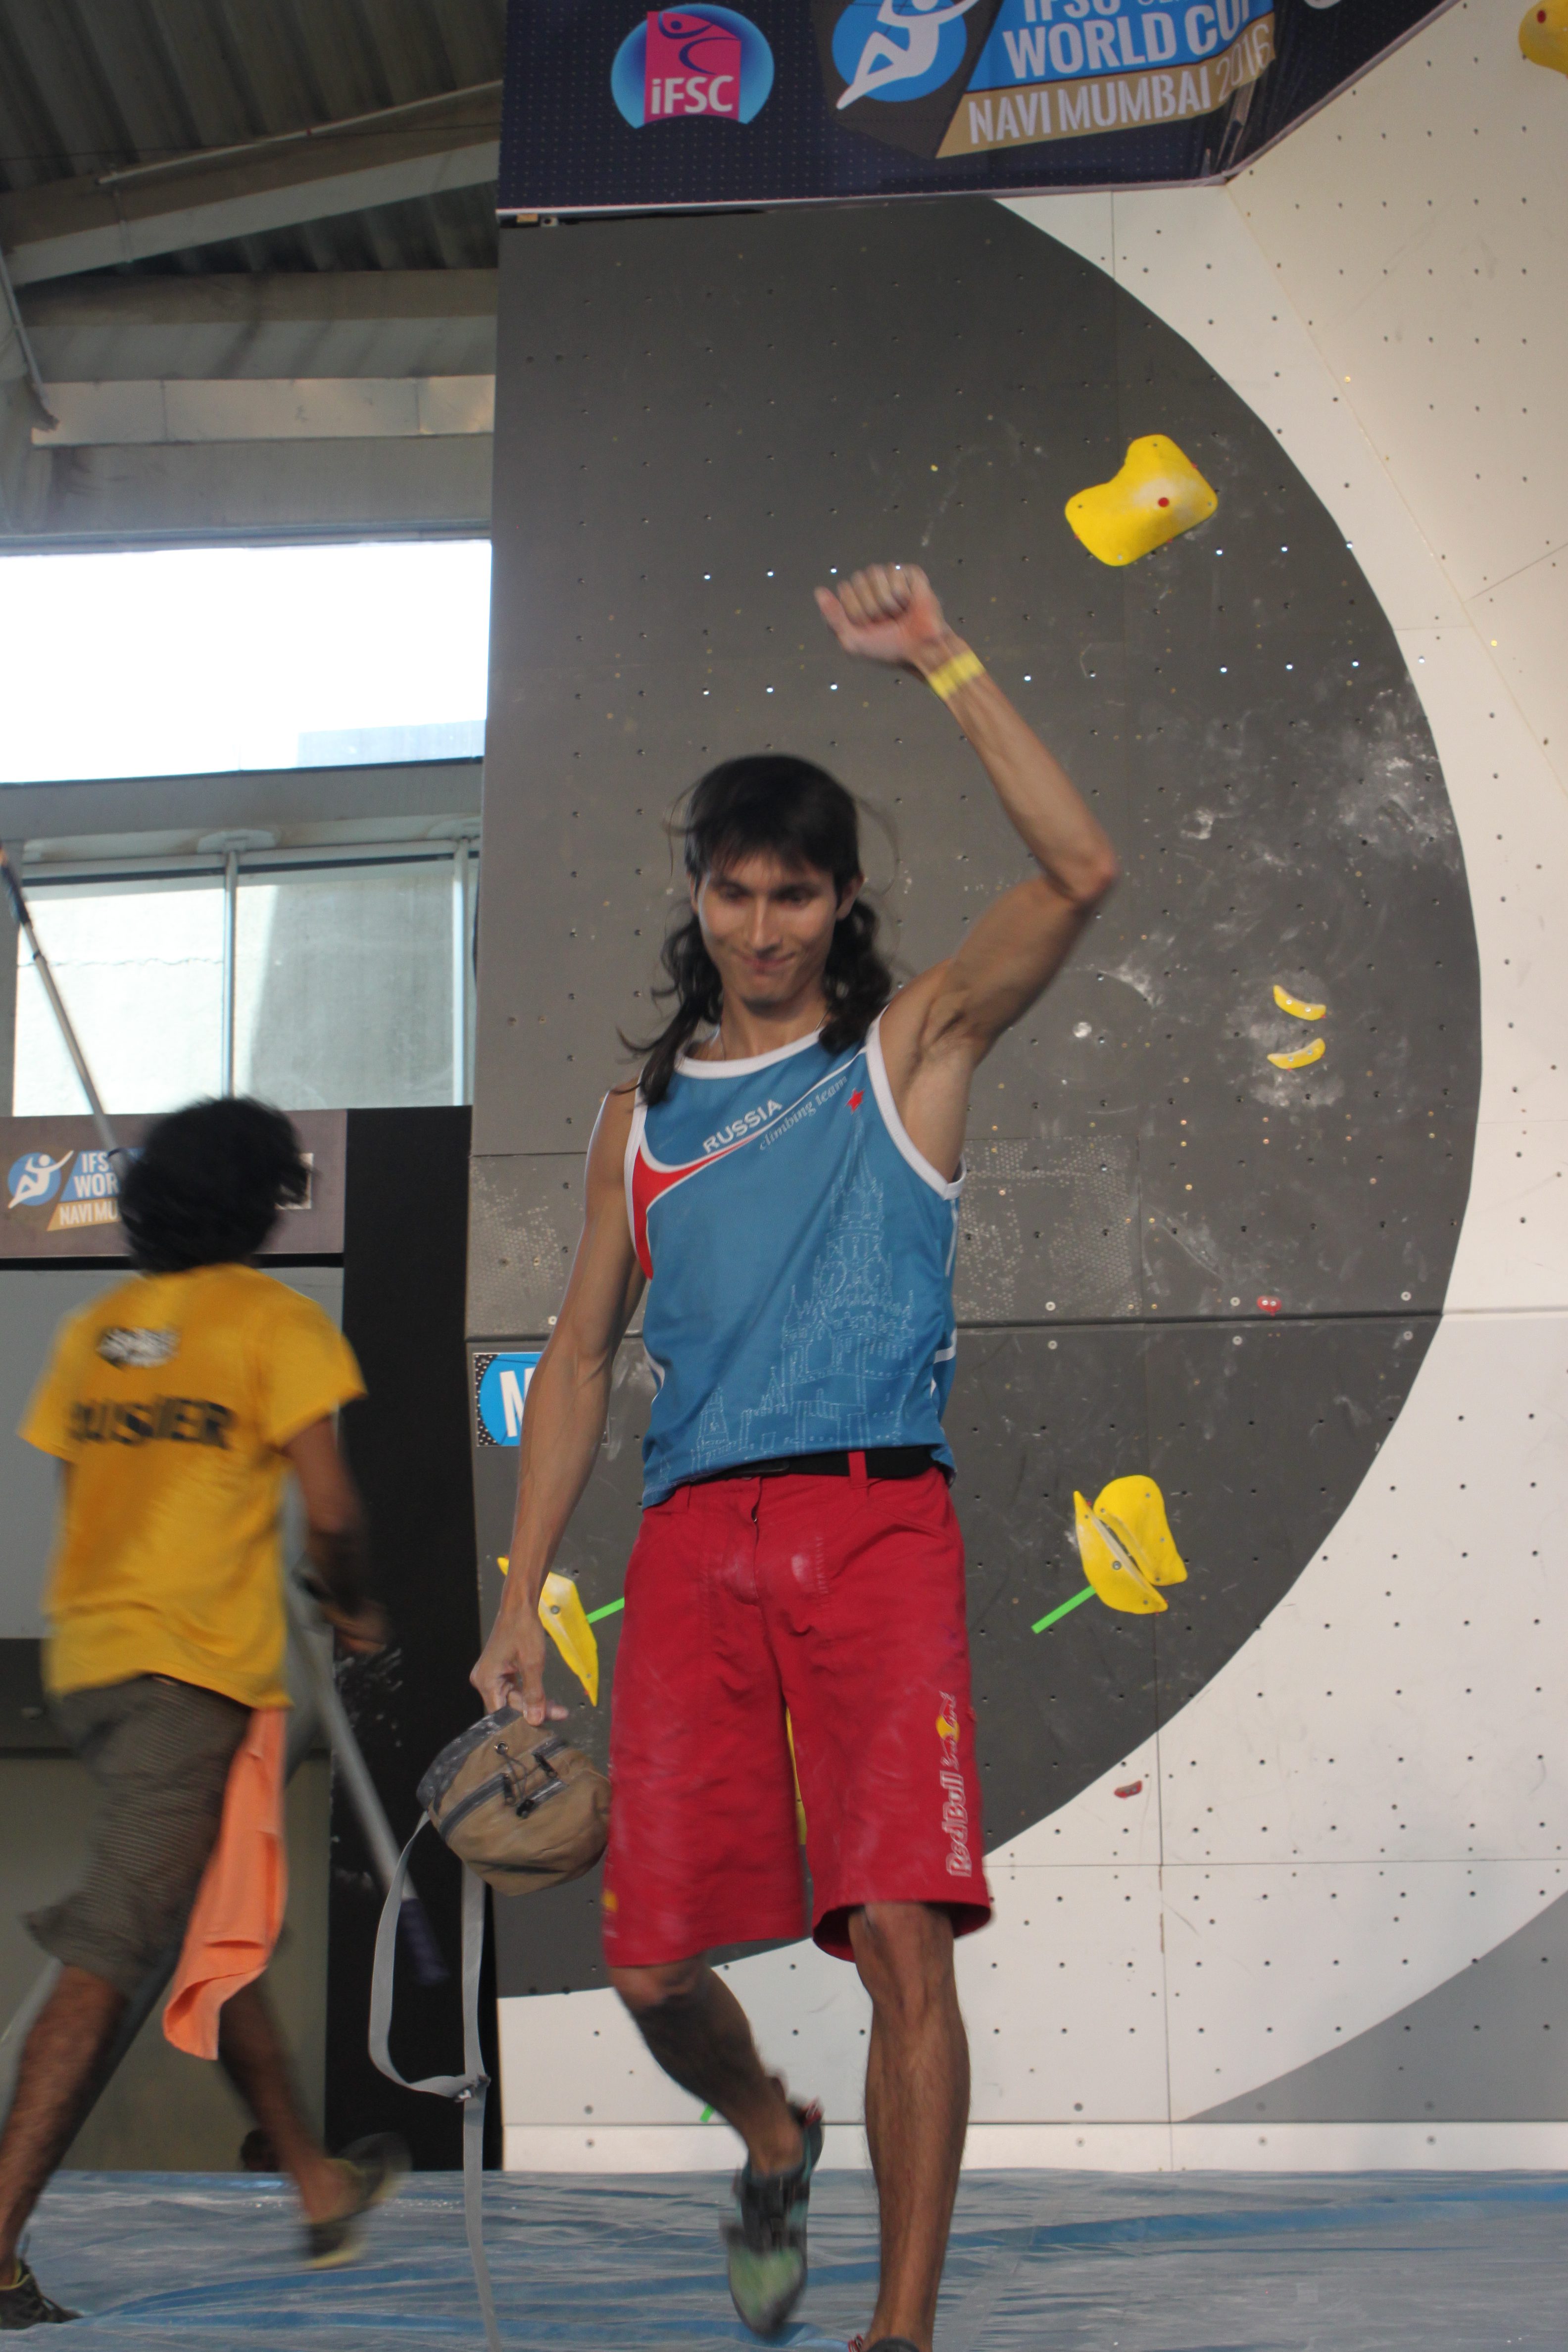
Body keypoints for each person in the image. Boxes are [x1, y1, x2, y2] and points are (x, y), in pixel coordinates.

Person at [472, 563, 1118, 2352]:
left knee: (904, 1935)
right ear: (698, 896)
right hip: (693, 1549)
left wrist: (943, 656)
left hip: (875, 1530)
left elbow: (1079, 870)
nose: (764, 926)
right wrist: (519, 1599)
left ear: (842, 904)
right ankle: (769, 2130)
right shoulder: (637, 1121)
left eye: (797, 893)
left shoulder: (906, 1054)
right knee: (647, 1964)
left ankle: (897, 2330)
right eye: (735, 891)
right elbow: (579, 1358)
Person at [0, 1097, 402, 2331]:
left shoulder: (96, 1331)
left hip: (95, 1667)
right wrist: (353, 1608)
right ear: (262, 1203)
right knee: (115, 1949)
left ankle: (316, 2182)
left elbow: (85, 1497)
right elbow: (331, 1512)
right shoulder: (274, 1324)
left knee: (210, 1927)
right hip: (192, 1682)